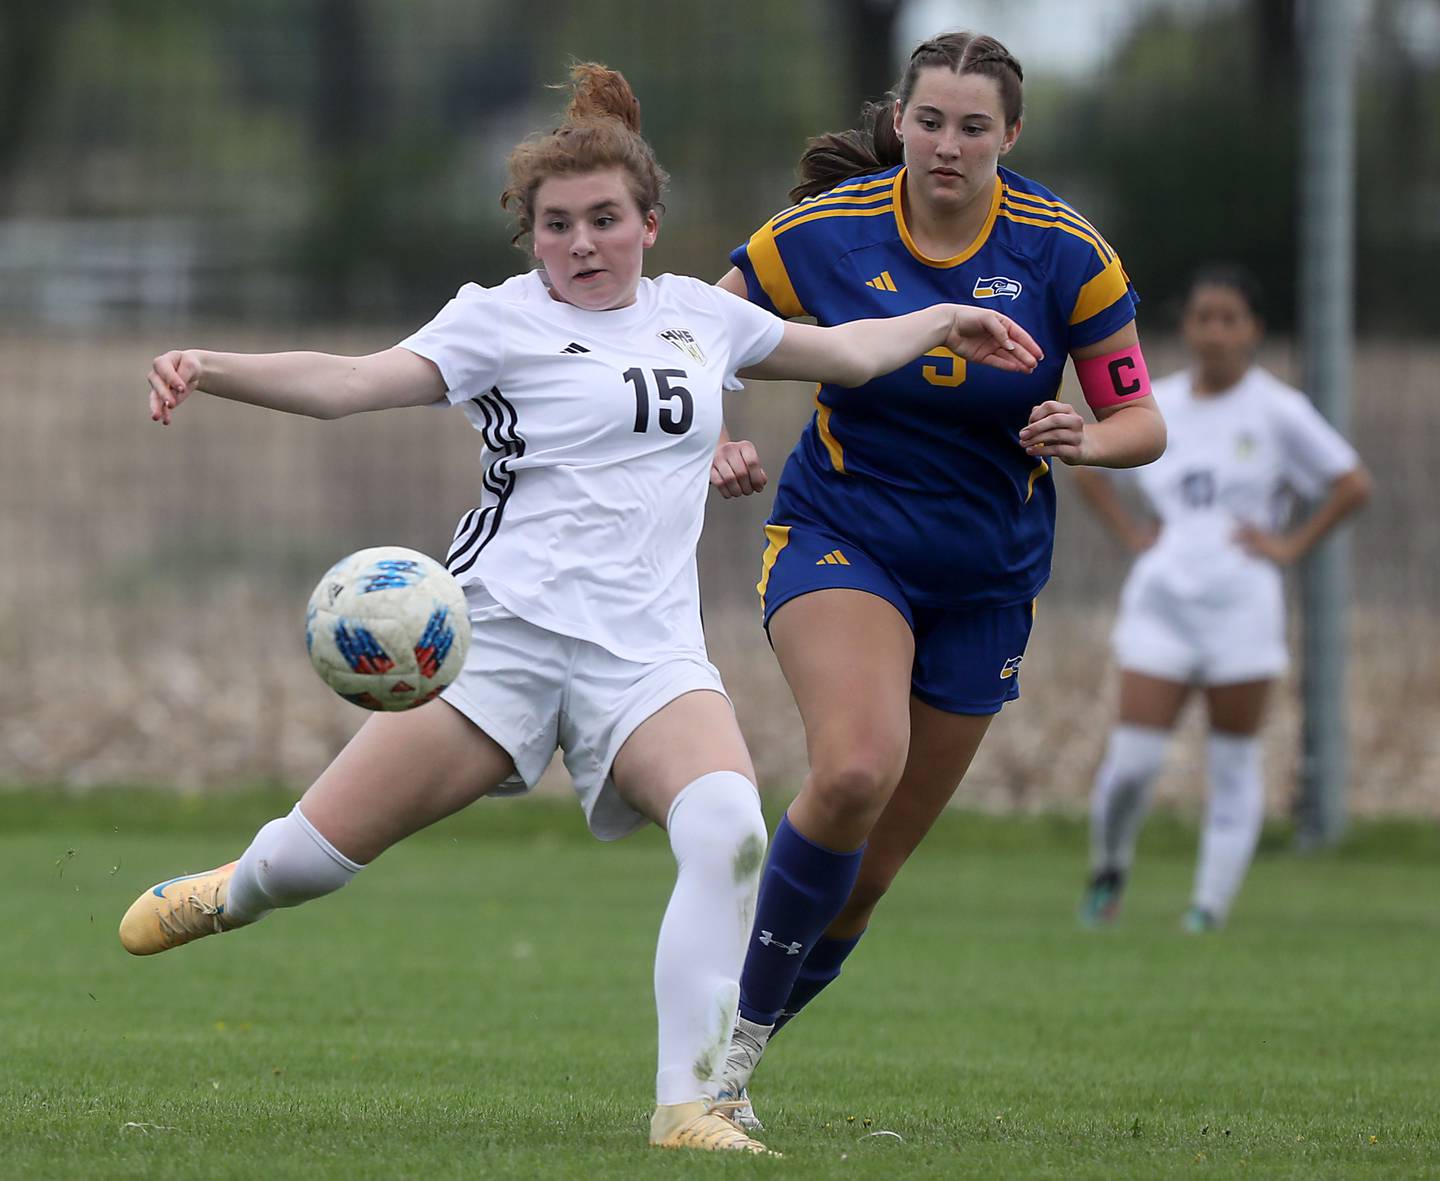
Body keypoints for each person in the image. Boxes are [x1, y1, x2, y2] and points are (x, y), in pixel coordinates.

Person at [120, 63, 1043, 1156]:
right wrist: (208, 365)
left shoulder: (703, 317)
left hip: (646, 658)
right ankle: (234, 889)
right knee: (309, 862)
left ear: (650, 223)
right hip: (491, 646)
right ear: (532, 237)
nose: (583, 243)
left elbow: (843, 352)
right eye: (557, 225)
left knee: (729, 829)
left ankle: (688, 1105)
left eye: (606, 219)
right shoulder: (494, 323)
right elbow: (349, 382)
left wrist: (945, 320)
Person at [706, 30, 1168, 1129]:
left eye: (973, 126)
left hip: (987, 579)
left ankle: (741, 1032)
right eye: (929, 121)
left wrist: (1087, 437)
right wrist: (717, 434)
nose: (947, 144)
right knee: (858, 766)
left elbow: (1140, 416)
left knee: (864, 878)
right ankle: (714, 1071)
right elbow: (692, 332)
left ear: (1012, 134)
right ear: (899, 120)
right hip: (842, 535)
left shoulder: (1067, 253)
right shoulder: (824, 233)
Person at [1076, 263, 1370, 932]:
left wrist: (1290, 547)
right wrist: (1131, 533)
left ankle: (1206, 910)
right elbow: (1086, 461)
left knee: (1233, 762)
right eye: (1202, 316)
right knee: (1132, 764)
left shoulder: (1278, 410)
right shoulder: (1160, 404)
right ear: (1186, 327)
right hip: (1164, 599)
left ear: (1253, 331)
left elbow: (1352, 482)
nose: (1214, 331)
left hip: (1242, 606)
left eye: (1229, 318)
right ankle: (1109, 869)